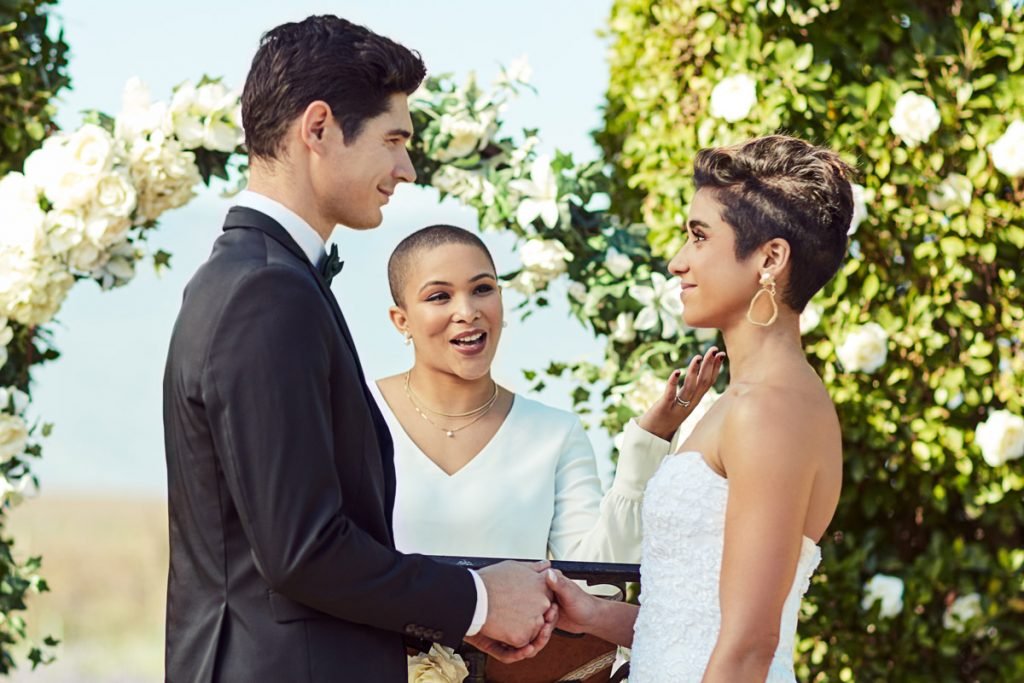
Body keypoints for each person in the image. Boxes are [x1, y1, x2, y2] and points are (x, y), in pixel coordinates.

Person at [162, 16, 555, 682]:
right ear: (317, 128)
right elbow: (304, 550)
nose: (406, 167)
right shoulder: (266, 291)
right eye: (393, 139)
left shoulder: (253, 276)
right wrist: (480, 600)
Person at [543, 134, 853, 683]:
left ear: (770, 259)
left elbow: (750, 646)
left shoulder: (771, 410)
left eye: (698, 236)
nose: (676, 261)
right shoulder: (742, 400)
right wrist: (591, 612)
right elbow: (690, 622)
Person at [373, 224, 725, 563]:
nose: (467, 312)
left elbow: (596, 579)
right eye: (439, 297)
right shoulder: (357, 412)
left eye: (482, 289)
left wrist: (650, 439)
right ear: (401, 320)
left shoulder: (555, 433)